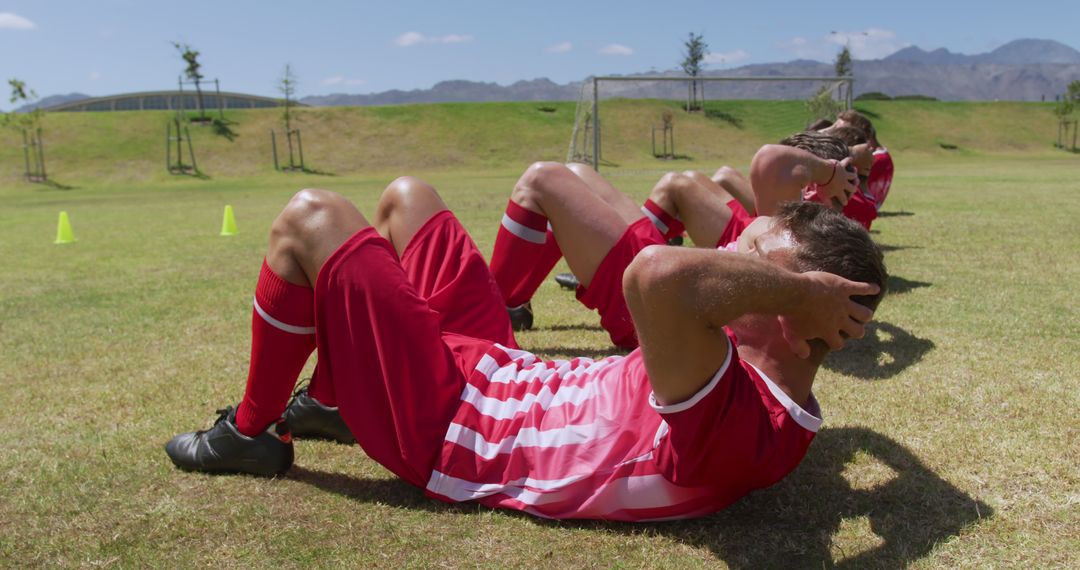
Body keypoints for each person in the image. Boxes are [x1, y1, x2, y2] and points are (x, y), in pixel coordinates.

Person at [166, 173, 886, 522]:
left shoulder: (749, 429)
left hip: (449, 426)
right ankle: (332, 402)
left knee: (309, 217)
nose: (728, 251)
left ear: (800, 314)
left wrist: (799, 291)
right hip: (496, 370)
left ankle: (249, 433)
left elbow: (656, 276)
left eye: (751, 257)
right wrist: (790, 285)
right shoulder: (738, 367)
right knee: (406, 197)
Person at [494, 133, 859, 347]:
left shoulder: (805, 231)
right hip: (675, 281)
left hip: (663, 310)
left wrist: (828, 173)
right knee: (576, 173)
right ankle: (513, 303)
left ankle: (490, 313)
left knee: (540, 180)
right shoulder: (805, 226)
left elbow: (770, 160)